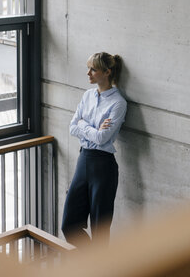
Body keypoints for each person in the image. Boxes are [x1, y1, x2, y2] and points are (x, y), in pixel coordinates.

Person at [61, 52, 127, 247]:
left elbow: (102, 138)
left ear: (107, 72)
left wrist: (83, 124)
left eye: (93, 69)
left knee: (99, 230)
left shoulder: (118, 103)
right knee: (69, 225)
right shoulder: (87, 95)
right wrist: (90, 128)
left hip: (103, 166)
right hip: (83, 161)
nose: (88, 73)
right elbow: (72, 127)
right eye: (88, 68)